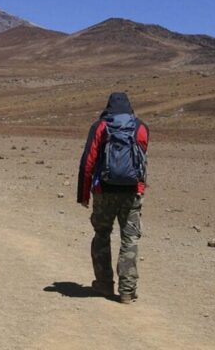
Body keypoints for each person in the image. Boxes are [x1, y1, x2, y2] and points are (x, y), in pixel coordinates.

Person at [77, 92, 149, 304]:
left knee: (101, 235)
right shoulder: (140, 127)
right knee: (130, 238)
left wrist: (83, 194)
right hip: (132, 191)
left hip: (103, 191)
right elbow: (142, 159)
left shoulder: (100, 126)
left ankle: (104, 284)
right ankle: (127, 290)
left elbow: (88, 162)